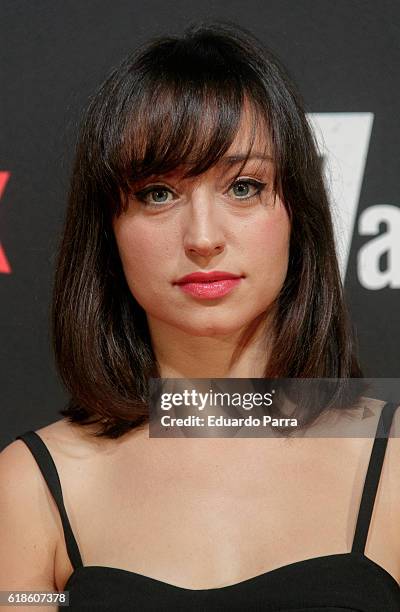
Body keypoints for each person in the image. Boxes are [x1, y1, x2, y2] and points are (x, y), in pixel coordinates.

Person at [0, 21, 399, 612]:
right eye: (157, 193)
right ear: (109, 229)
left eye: (242, 186)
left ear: (298, 211)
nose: (204, 237)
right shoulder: (32, 484)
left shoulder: (392, 459)